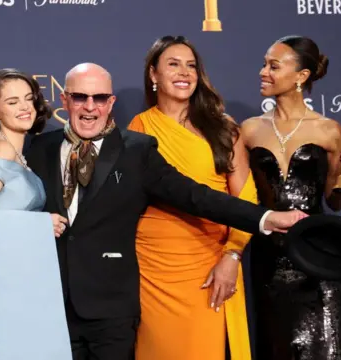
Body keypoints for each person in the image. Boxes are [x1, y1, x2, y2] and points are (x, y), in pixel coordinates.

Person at [24, 62, 307, 360]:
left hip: (110, 311)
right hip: (50, 304)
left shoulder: (136, 149)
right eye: (80, 97)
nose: (90, 107)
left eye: (100, 98)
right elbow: (15, 207)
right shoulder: (40, 148)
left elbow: (196, 196)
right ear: (64, 100)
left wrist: (263, 217)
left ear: (111, 103)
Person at [241, 35, 341, 360]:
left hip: (317, 260)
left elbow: (335, 201)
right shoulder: (249, 130)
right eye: (264, 64)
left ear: (301, 76)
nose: (263, 72)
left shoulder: (329, 130)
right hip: (268, 262)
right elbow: (240, 199)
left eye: (273, 66)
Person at [127, 35, 254, 360]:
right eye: (173, 64)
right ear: (153, 75)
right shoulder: (138, 128)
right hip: (153, 269)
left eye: (191, 66)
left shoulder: (224, 128)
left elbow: (245, 200)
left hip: (210, 264)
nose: (184, 73)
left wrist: (233, 256)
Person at [0, 68, 72, 360]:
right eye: (12, 101)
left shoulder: (18, 153)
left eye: (28, 99)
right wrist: (40, 224)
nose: (24, 108)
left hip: (15, 271)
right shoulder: (0, 152)